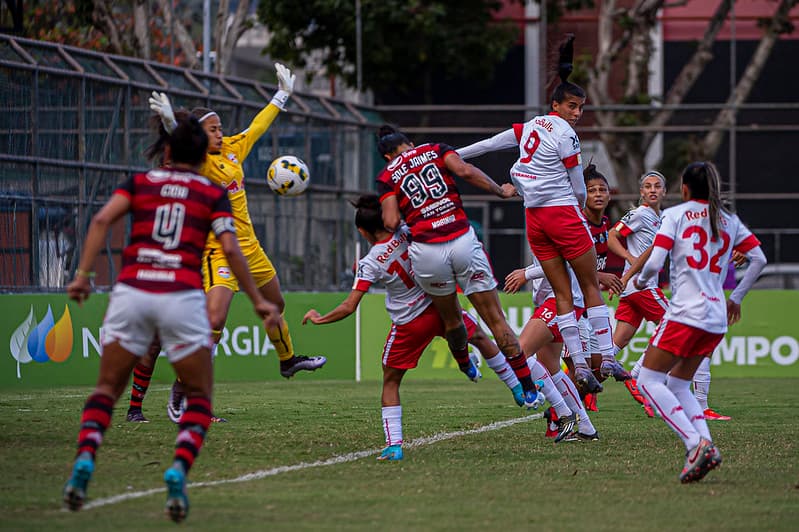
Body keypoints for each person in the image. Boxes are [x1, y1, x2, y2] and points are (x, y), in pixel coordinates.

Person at [62, 112, 282, 521]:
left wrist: (83, 276)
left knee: (106, 389)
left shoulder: (141, 182)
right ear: (203, 157)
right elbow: (232, 250)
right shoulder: (209, 190)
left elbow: (100, 220)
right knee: (198, 397)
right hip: (179, 294)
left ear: (166, 152)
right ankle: (179, 468)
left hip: (132, 290)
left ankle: (85, 460)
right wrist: (258, 300)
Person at [148, 63, 326, 423]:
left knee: (276, 304)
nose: (219, 133)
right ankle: (184, 392)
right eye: (212, 129)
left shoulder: (230, 150)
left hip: (251, 248)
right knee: (215, 320)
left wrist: (282, 95)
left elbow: (257, 128)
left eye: (219, 128)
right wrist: (171, 126)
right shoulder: (199, 162)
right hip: (219, 251)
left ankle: (288, 360)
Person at [302, 195, 539, 461]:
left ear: (361, 231)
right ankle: (518, 389)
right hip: (439, 306)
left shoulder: (369, 263)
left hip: (410, 323)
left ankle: (394, 446)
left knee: (391, 382)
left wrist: (320, 318)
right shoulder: (406, 233)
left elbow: (349, 307)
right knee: (482, 338)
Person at [457, 35, 628, 393]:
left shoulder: (531, 126)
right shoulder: (566, 134)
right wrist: (581, 212)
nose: (577, 113)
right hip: (562, 214)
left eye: (580, 108)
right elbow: (578, 185)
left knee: (561, 293)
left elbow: (490, 144)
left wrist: (453, 154)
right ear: (557, 105)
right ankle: (607, 356)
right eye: (571, 106)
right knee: (588, 284)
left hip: (534, 218)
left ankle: (580, 365)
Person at [375, 125, 542, 408]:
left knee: (452, 318)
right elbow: (465, 172)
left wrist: (413, 219)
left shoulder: (387, 176)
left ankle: (465, 363)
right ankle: (527, 387)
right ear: (410, 143)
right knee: (495, 319)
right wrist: (499, 190)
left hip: (427, 253)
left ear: (387, 157)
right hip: (462, 241)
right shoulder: (435, 150)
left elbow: (390, 222)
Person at [633, 161, 765, 483]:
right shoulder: (728, 219)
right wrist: (736, 298)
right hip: (716, 316)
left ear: (685, 189)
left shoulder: (675, 215)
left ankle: (694, 443)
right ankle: (707, 447)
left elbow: (655, 261)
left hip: (684, 312)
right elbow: (759, 259)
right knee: (678, 384)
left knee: (647, 381)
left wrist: (641, 281)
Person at [505, 256, 600, 442]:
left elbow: (559, 262)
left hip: (560, 300)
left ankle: (564, 413)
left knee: (518, 354)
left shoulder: (552, 226)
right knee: (551, 368)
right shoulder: (541, 227)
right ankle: (587, 428)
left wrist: (525, 273)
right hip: (554, 300)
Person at [606, 170, 668, 417]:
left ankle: (580, 384)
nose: (652, 190)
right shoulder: (641, 214)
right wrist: (629, 260)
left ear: (664, 191)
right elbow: (612, 235)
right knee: (674, 326)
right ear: (641, 192)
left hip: (631, 290)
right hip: (643, 287)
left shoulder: (661, 218)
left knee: (614, 346)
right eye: (648, 186)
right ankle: (638, 373)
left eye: (657, 186)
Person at [573, 163, 625, 412]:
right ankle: (563, 414)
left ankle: (571, 407)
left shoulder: (603, 223)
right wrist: (600, 276)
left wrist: (606, 280)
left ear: (609, 194)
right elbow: (570, 265)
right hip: (570, 305)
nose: (597, 194)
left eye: (602, 189)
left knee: (600, 370)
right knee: (582, 372)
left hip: (589, 305)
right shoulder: (577, 223)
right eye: (591, 190)